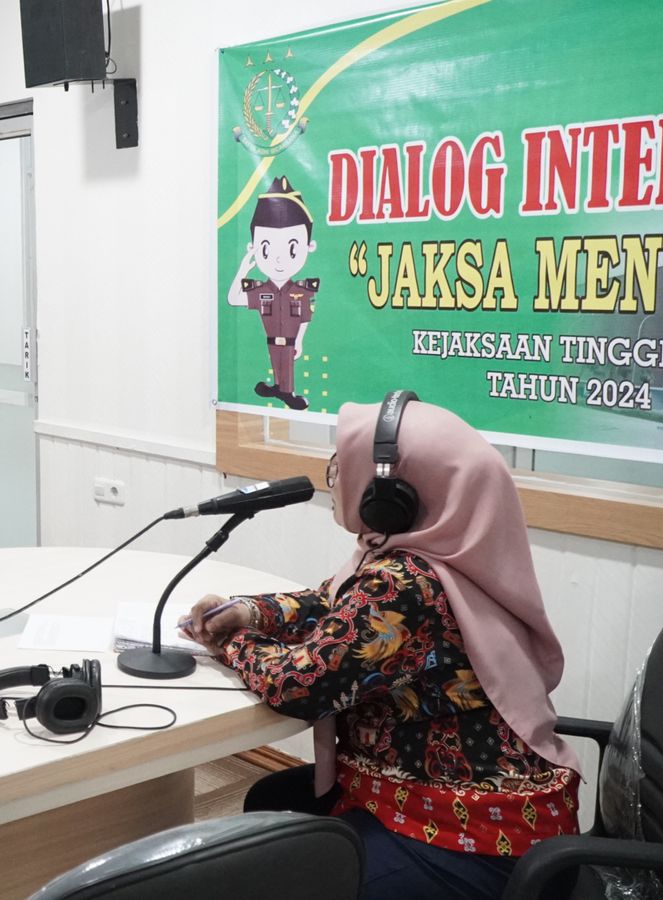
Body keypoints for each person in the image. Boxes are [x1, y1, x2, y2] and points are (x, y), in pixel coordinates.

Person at [184, 392, 581, 900]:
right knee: (269, 797)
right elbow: (330, 604)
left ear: (390, 495)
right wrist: (249, 611)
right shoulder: (448, 554)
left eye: (342, 465)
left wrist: (232, 642)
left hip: (470, 836)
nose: (334, 477)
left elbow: (298, 685)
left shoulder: (404, 583)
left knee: (275, 867)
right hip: (488, 808)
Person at [227, 175, 318, 410]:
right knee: (276, 363)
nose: (278, 259)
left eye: (291, 248)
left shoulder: (301, 291)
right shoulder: (261, 290)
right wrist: (243, 269)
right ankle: (278, 387)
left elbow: (305, 317)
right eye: (266, 249)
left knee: (287, 364)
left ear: (309, 247)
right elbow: (233, 299)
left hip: (289, 341)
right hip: (271, 340)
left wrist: (300, 340)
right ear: (253, 248)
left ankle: (287, 392)